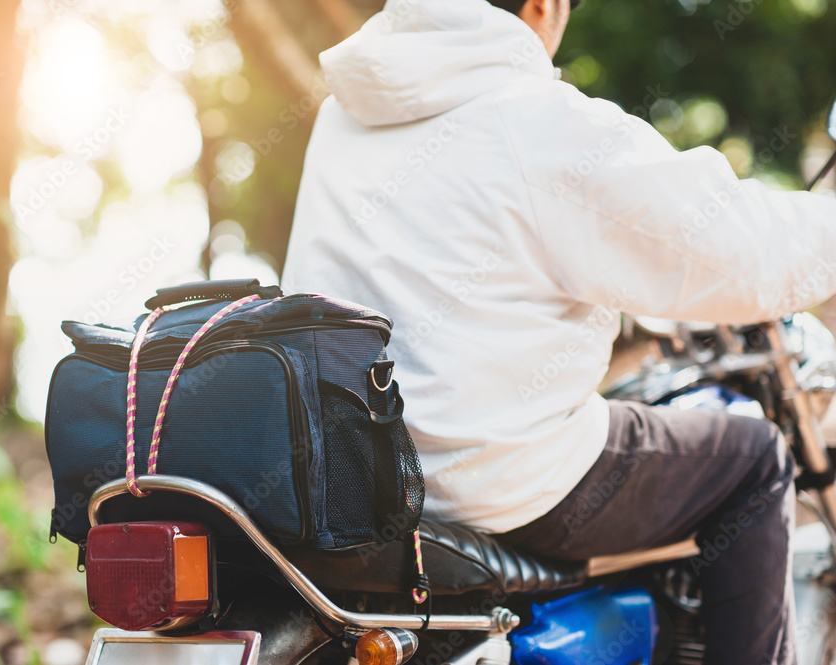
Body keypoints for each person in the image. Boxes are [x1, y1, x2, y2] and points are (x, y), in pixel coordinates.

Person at [281, 0, 836, 662]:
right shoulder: (536, 118)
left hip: (349, 474)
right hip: (497, 478)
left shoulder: (344, 111)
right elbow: (731, 245)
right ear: (543, 6)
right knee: (754, 458)